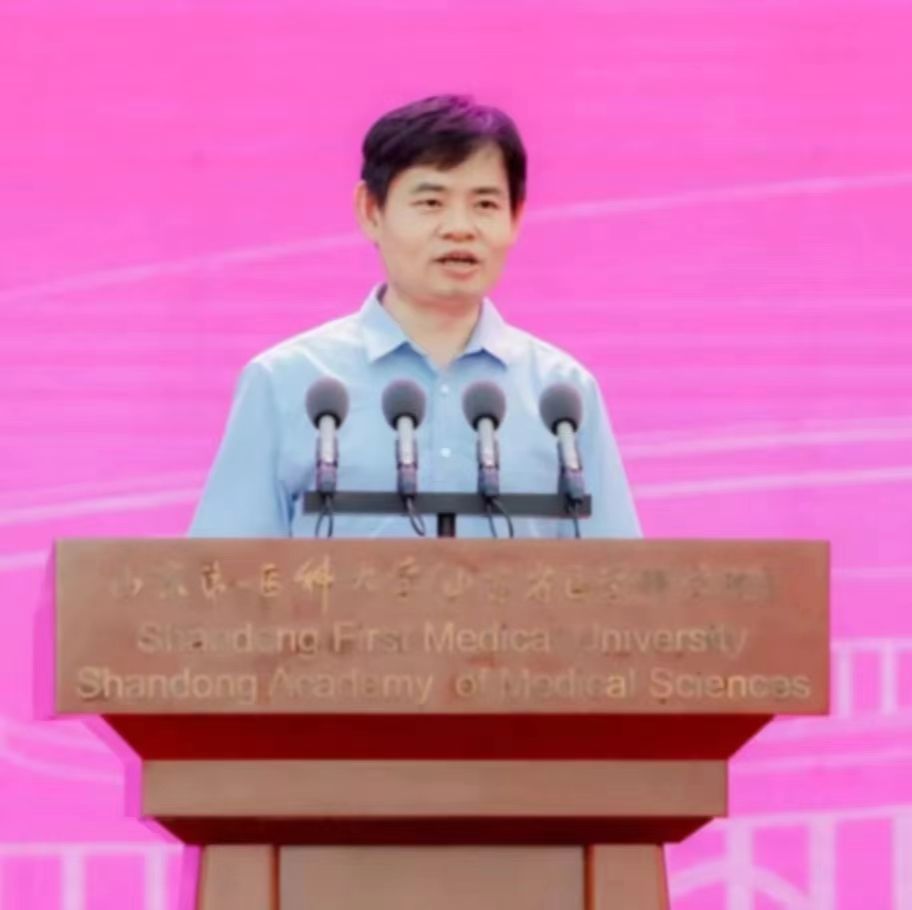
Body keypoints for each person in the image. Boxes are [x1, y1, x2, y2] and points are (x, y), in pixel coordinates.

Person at [189, 94, 640, 539]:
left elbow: (619, 574)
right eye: (431, 203)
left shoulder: (562, 395)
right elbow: (223, 571)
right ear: (371, 211)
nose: (459, 228)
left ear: (516, 217)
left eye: (485, 205)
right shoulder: (287, 381)